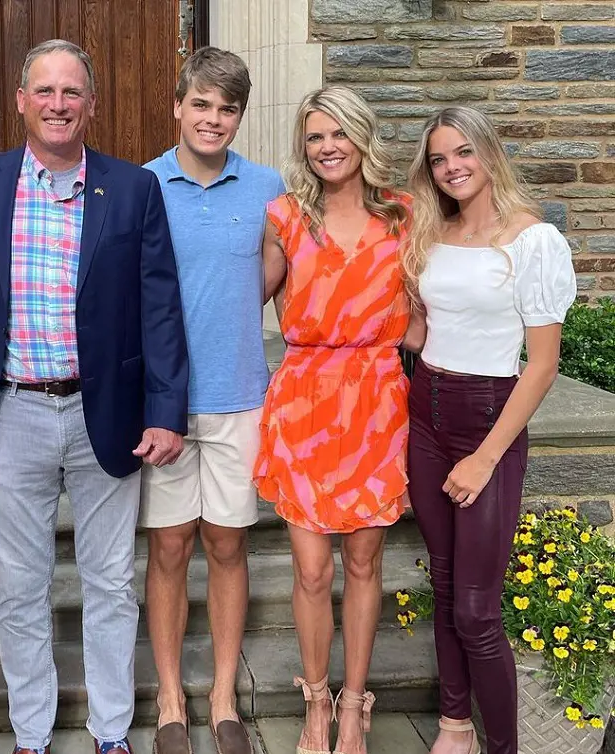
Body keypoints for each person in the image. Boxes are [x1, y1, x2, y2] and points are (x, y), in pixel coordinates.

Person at [0, 39, 189, 754]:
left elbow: (160, 306)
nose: (58, 105)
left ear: (91, 104)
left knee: (112, 583)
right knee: (23, 588)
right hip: (13, 412)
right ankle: (31, 735)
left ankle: (111, 734)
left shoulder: (131, 189)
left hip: (107, 413)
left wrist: (166, 410)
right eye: (45, 92)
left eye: (71, 93)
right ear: (22, 101)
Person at [402, 106, 575, 754]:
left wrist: (484, 458)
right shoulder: (434, 233)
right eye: (440, 158)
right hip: (427, 412)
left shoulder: (532, 239)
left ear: (488, 152)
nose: (452, 167)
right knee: (444, 586)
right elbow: (420, 333)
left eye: (463, 152)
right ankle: (454, 726)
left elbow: (544, 364)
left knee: (477, 608)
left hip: (487, 418)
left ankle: (502, 746)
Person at [252, 86, 419, 754]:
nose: (326, 147)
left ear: (361, 137)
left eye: (338, 134)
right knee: (312, 569)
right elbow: (242, 295)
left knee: (364, 561)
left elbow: (432, 298)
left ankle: (355, 706)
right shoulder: (285, 216)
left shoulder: (406, 217)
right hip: (304, 397)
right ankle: (315, 701)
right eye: (315, 136)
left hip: (377, 398)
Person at [140, 46, 286, 754]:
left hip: (239, 398)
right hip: (164, 406)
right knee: (169, 547)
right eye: (201, 104)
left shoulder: (268, 187)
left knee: (227, 543)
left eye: (227, 108)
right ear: (177, 106)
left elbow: (276, 274)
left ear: (240, 116)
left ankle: (223, 693)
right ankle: (171, 699)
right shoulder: (141, 187)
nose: (213, 119)